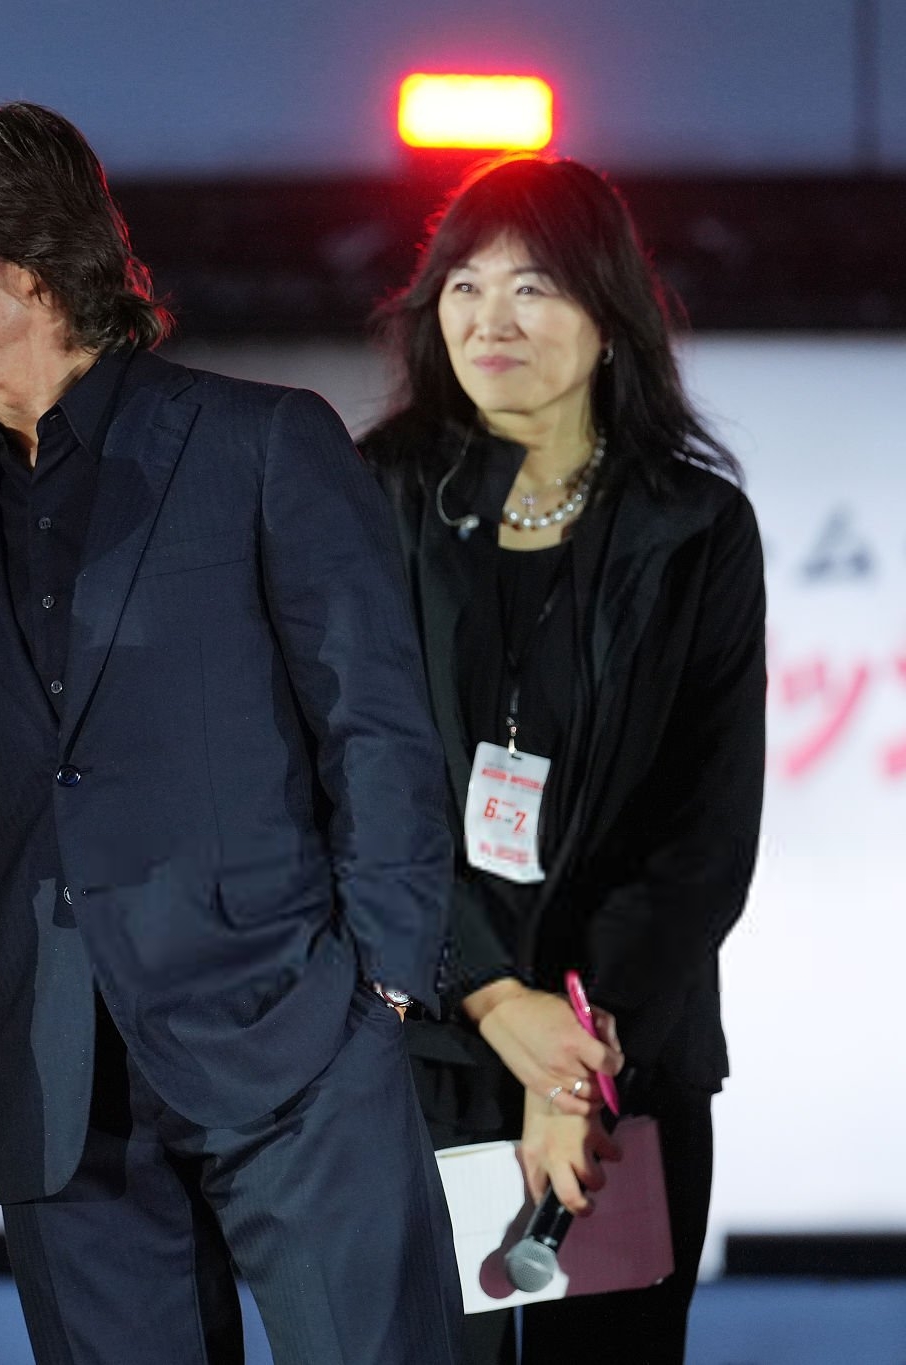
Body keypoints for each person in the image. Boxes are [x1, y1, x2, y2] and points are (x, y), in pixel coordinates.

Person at [0, 102, 461, 1365]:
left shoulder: (259, 446)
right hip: (58, 1099)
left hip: (295, 1055)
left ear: (26, 260)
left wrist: (383, 991)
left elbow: (377, 728)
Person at [360, 155, 765, 1364]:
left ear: (605, 315)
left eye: (530, 286)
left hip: (624, 1049)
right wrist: (494, 997)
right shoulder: (374, 499)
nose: (488, 318)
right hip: (426, 1042)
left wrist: (573, 1059)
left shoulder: (692, 528)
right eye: (462, 285)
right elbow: (359, 787)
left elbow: (701, 829)